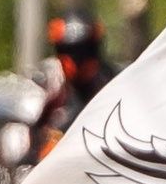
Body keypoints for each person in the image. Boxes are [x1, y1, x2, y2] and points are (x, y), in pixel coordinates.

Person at [36, 9, 116, 152]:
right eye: (69, 50)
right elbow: (31, 130)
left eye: (85, 50)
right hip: (56, 164)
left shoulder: (112, 82)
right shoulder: (49, 83)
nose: (77, 59)